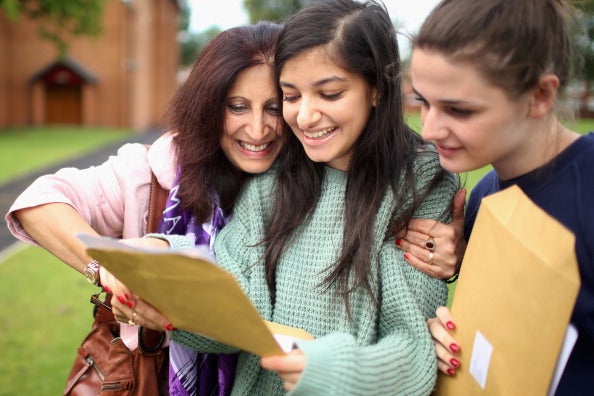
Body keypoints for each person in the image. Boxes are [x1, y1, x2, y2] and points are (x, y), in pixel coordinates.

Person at [148, 0, 460, 394]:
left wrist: (333, 370)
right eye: (291, 97)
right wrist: (160, 273)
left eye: (329, 94)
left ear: (377, 89)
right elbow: (238, 317)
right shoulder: (273, 180)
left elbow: (412, 351)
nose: (306, 116)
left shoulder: (420, 188)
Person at [6, 21, 285, 395]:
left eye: (274, 107)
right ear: (208, 105)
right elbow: (39, 202)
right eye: (237, 106)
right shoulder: (151, 173)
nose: (258, 128)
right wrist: (109, 268)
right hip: (150, 377)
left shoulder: (315, 185)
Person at [400, 0, 594, 394]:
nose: (430, 128)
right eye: (423, 101)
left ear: (539, 95)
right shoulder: (484, 194)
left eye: (459, 109)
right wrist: (443, 338)